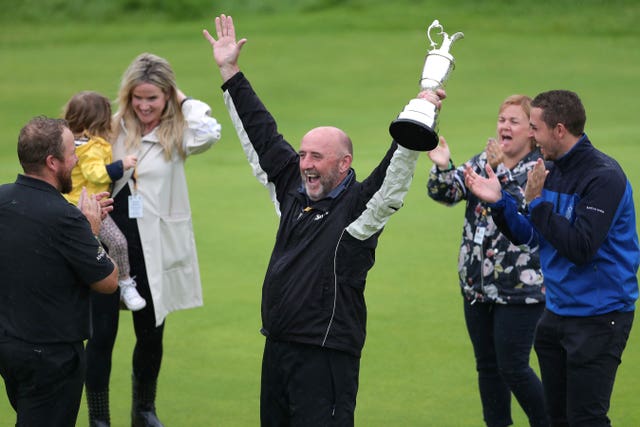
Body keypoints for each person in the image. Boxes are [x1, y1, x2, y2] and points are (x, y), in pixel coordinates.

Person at [203, 14, 445, 426]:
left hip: (326, 355)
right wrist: (230, 71)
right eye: (303, 155)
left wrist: (421, 108)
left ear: (344, 162)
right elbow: (260, 134)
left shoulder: (359, 209)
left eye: (317, 157)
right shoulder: (293, 190)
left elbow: (395, 173)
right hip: (277, 349)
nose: (306, 165)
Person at [464, 89, 639, 427]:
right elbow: (531, 236)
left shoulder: (603, 176)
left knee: (586, 419)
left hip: (599, 317)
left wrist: (538, 202)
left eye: (535, 127)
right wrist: (500, 204)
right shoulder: (550, 169)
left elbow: (581, 248)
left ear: (560, 129)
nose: (530, 135)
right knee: (555, 418)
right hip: (556, 314)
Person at [84, 53, 222, 427]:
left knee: (150, 333)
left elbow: (210, 131)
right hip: (107, 243)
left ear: (166, 97)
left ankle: (144, 411)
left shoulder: (177, 133)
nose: (144, 106)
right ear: (127, 96)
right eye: (138, 98)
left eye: (154, 98)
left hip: (153, 247)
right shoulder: (111, 128)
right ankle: (99, 418)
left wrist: (181, 97)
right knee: (101, 337)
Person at [426, 95, 548, 427]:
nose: (504, 126)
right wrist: (442, 165)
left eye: (514, 121)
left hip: (520, 289)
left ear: (532, 132)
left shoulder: (539, 169)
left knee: (513, 366)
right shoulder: (483, 160)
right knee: (487, 367)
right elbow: (446, 193)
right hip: (477, 288)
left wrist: (502, 172)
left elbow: (527, 213)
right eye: (502, 119)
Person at [0, 117, 118, 426]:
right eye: (71, 152)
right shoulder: (66, 218)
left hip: (9, 346)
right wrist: (90, 232)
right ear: (53, 162)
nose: (77, 158)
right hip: (51, 355)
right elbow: (107, 281)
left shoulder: (2, 198)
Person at [63, 90, 146, 311]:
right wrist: (122, 165)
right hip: (88, 208)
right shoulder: (90, 147)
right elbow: (96, 174)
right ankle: (126, 283)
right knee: (117, 242)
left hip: (77, 206)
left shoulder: (76, 142)